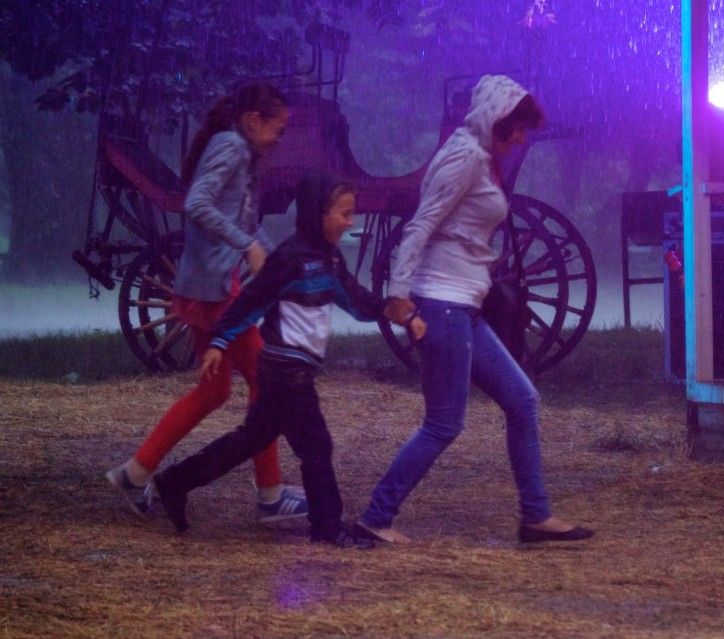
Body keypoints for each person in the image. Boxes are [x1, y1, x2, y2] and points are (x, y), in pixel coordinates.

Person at [354, 75, 594, 545]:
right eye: (516, 128)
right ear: (494, 119)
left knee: (522, 400)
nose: (521, 138)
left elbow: (459, 229)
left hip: (463, 304)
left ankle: (536, 517)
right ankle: (375, 519)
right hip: (441, 303)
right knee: (443, 423)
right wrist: (398, 292)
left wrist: (481, 259)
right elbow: (421, 224)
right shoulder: (465, 156)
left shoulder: (481, 158)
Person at [151, 173, 427, 547]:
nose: (351, 222)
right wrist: (219, 341)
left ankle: (174, 482)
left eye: (352, 214)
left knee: (250, 440)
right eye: (344, 214)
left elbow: (358, 302)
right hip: (286, 371)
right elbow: (251, 301)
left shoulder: (329, 260)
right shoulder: (289, 259)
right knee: (317, 448)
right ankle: (327, 529)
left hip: (285, 372)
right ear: (317, 213)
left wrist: (393, 312)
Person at [105, 83, 309, 523]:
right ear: (253, 120)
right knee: (268, 386)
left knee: (214, 391)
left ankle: (135, 474)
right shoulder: (232, 147)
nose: (280, 137)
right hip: (216, 294)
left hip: (205, 289)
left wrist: (276, 258)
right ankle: (270, 495)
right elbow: (196, 203)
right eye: (278, 128)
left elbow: (245, 223)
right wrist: (246, 246)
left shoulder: (237, 150)